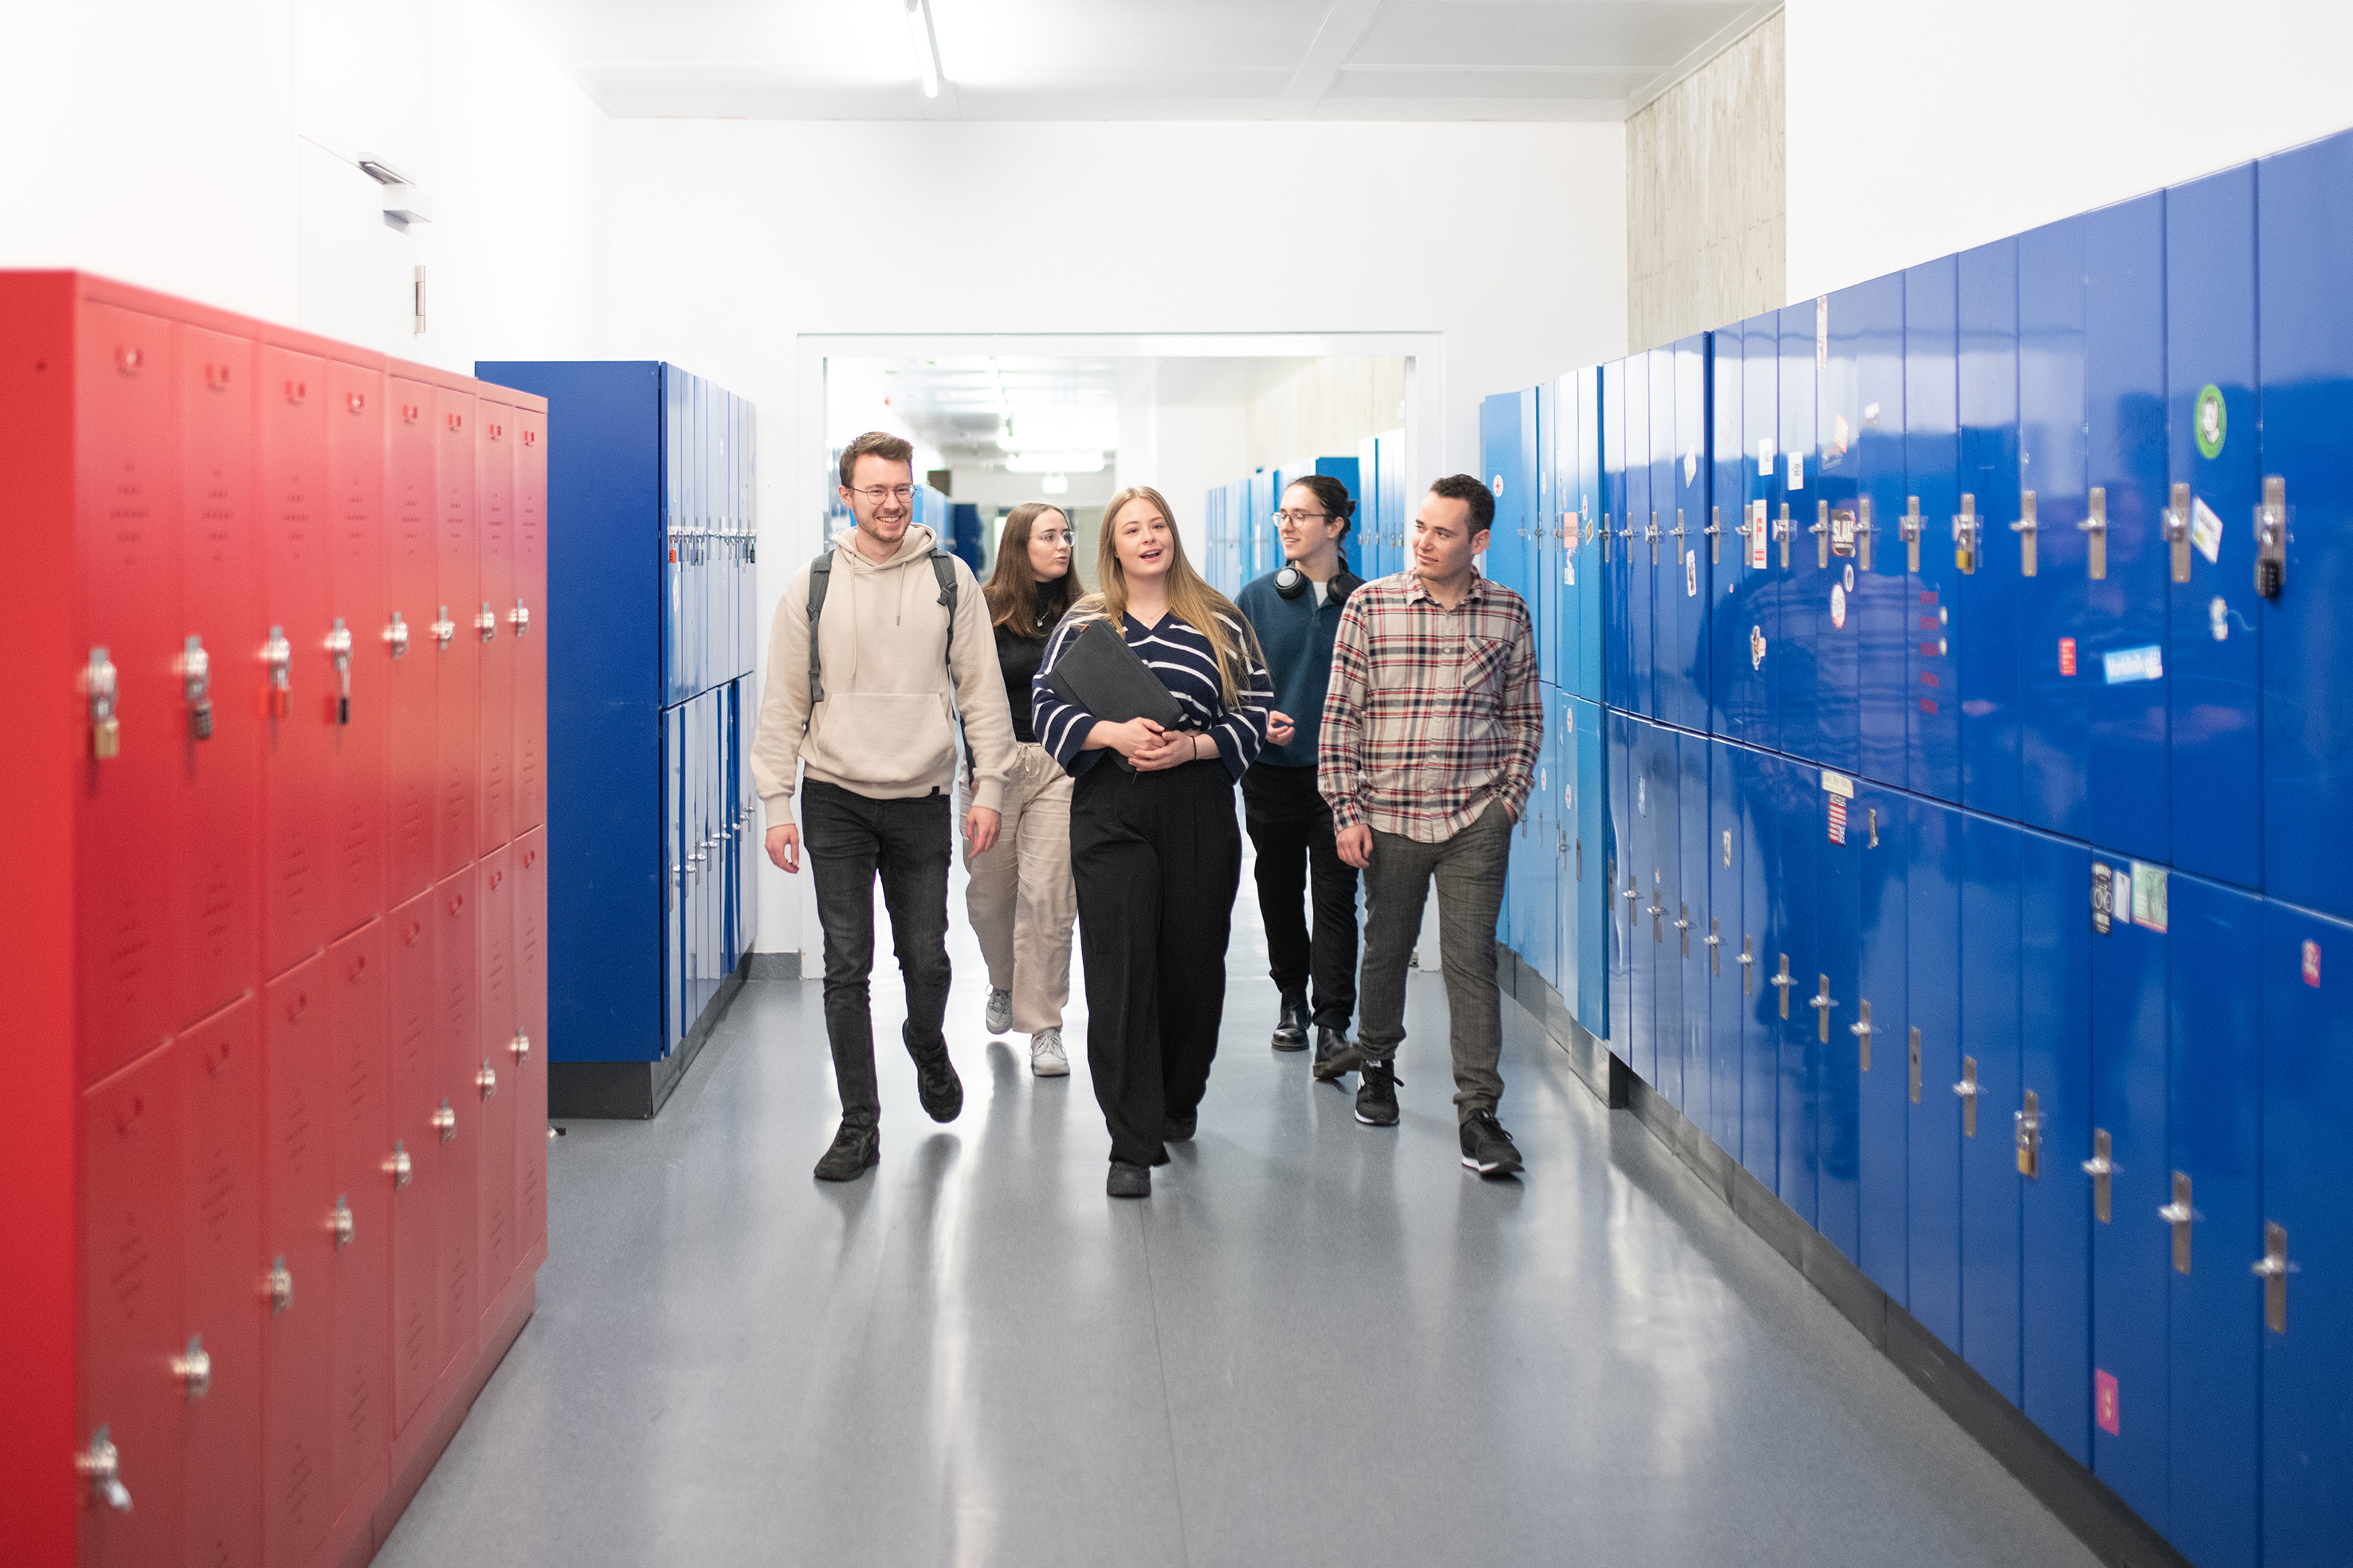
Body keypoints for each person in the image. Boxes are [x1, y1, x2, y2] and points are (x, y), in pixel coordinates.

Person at [752, 430, 1016, 1182]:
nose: (892, 503)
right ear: (848, 496)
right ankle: (858, 1124)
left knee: (927, 958)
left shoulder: (949, 578)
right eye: (876, 491)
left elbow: (981, 692)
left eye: (901, 489)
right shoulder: (813, 584)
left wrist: (988, 786)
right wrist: (776, 802)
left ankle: (927, 1042)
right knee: (845, 966)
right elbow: (783, 703)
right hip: (833, 794)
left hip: (921, 795)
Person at [1031, 486, 1283, 1199]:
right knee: (1120, 968)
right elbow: (1046, 704)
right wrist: (1107, 733)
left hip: (1197, 802)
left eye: (1158, 525)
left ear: (1173, 534)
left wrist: (1195, 748)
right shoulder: (1085, 623)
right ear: (1110, 545)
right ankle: (1129, 1143)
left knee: (1191, 965)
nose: (1148, 538)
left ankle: (1177, 1096)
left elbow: (1257, 711)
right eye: (1131, 529)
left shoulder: (1220, 620)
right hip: (1110, 805)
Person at [1319, 474, 1542, 1178]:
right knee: (1386, 947)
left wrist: (1509, 798)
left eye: (1442, 532)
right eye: (1420, 527)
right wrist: (1345, 811)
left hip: (1475, 815)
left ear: (1477, 542)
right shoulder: (1370, 605)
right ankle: (1378, 1063)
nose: (1423, 541)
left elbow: (1524, 718)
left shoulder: (1507, 613)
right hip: (1387, 813)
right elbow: (1340, 717)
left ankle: (1478, 1112)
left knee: (1469, 962)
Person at [1234, 474, 1364, 1082]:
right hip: (1270, 774)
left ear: (1335, 526)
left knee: (1336, 896)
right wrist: (1259, 721)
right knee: (1278, 889)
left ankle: (1333, 1021)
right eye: (1281, 515)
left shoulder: (1365, 602)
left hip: (1340, 778)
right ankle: (1292, 998)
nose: (1286, 525)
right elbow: (1228, 687)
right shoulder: (1256, 599)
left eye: (1301, 516)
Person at [967, 501, 1082, 1077]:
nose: (1063, 545)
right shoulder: (981, 610)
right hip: (992, 767)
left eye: (1066, 535)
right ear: (1019, 544)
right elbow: (959, 690)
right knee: (990, 897)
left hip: (1059, 765)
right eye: (1049, 536)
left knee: (1050, 897)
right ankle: (1001, 982)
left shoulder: (1086, 612)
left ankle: (1045, 1025)